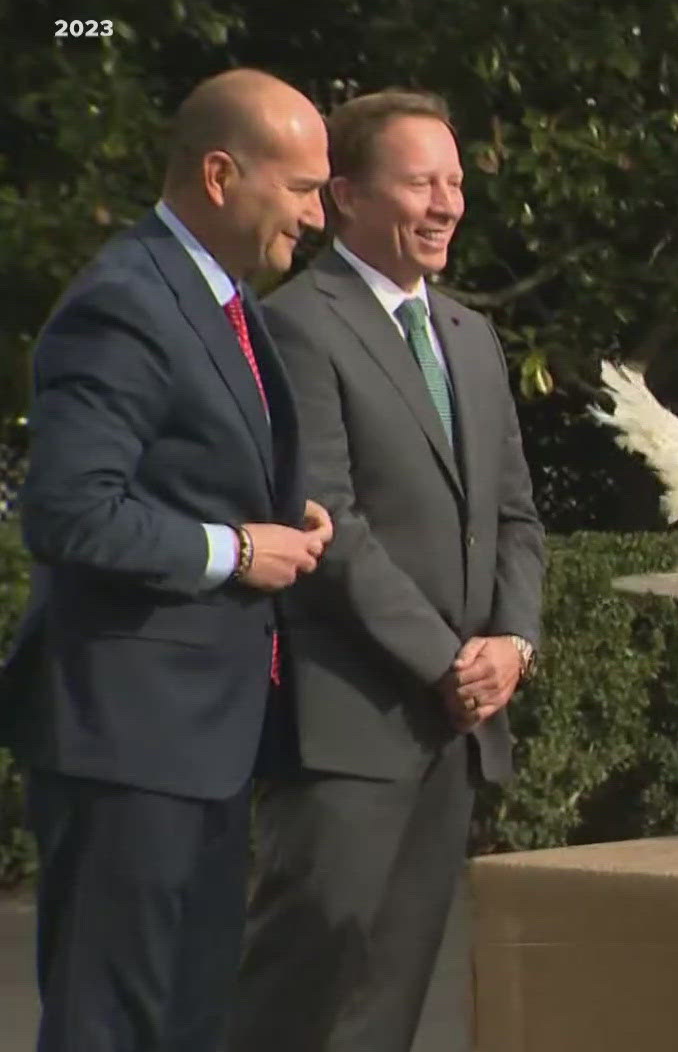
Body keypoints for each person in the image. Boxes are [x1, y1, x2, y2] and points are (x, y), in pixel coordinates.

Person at [0, 68, 334, 1051]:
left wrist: (280, 520)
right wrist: (235, 550)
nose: (316, 217)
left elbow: (182, 472)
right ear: (223, 174)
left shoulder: (223, 298)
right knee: (117, 1022)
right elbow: (66, 513)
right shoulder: (126, 300)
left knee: (185, 1018)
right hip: (130, 743)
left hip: (201, 743)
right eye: (305, 189)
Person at [229, 89, 547, 1052]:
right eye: (421, 182)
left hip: (454, 730)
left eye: (454, 181)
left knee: (395, 999)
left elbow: (517, 517)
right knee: (304, 991)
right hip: (349, 726)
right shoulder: (298, 326)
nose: (446, 203)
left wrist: (514, 645)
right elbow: (328, 524)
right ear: (349, 195)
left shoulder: (472, 338)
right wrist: (448, 660)